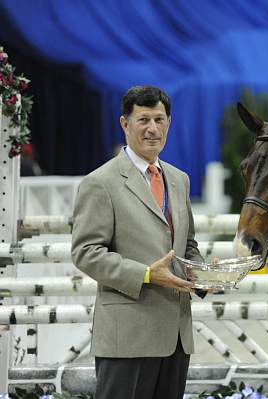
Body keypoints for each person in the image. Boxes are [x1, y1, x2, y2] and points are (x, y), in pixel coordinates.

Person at [71, 85, 204, 399]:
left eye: (159, 119)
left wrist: (200, 272)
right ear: (124, 124)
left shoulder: (179, 179)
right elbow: (86, 252)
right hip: (127, 337)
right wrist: (145, 274)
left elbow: (188, 245)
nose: (153, 128)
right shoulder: (100, 182)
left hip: (176, 336)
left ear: (169, 123)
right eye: (143, 119)